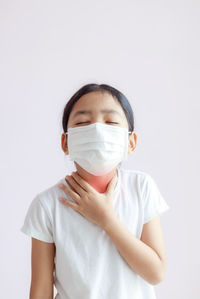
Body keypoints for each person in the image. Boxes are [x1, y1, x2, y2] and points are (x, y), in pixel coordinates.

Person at [20, 83, 170, 299]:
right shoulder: (47, 205)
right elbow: (41, 288)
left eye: (110, 121)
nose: (97, 130)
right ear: (66, 142)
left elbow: (156, 273)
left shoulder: (141, 188)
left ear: (131, 142)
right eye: (82, 122)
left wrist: (107, 220)